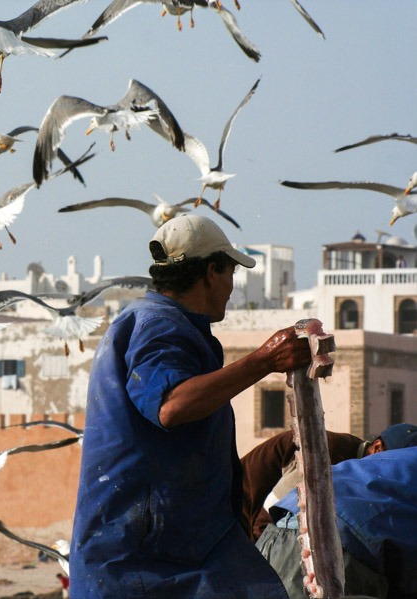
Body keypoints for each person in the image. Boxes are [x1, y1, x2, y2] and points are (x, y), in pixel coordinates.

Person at [70, 214, 313, 598]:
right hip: (148, 559)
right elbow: (171, 405)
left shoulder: (157, 322)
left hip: (178, 547)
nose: (232, 286)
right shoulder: (159, 325)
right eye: (230, 272)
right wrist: (265, 360)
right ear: (211, 272)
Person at [257, 426, 417, 599]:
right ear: (376, 447)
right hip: (338, 546)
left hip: (280, 529)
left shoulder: (383, 462)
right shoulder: (332, 448)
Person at [241, 428, 364, 541]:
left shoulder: (356, 451)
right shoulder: (331, 456)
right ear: (377, 447)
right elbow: (272, 506)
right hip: (235, 509)